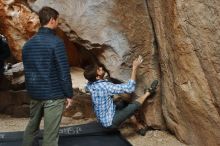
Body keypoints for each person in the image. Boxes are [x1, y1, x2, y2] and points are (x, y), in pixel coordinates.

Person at [22, 7, 73, 146]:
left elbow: (28, 71)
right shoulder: (56, 42)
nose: (58, 23)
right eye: (57, 20)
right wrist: (69, 94)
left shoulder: (27, 45)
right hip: (53, 95)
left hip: (34, 94)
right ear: (52, 20)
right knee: (50, 136)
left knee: (31, 128)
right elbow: (63, 71)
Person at [84, 56, 158, 135]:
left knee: (123, 103)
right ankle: (148, 92)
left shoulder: (90, 84)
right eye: (99, 70)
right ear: (97, 77)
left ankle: (138, 126)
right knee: (132, 107)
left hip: (103, 119)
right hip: (110, 124)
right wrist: (135, 68)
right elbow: (130, 88)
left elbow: (87, 88)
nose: (101, 68)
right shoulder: (105, 86)